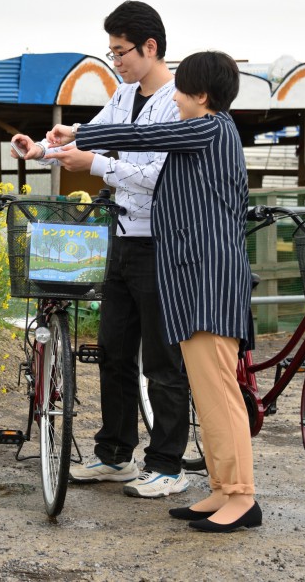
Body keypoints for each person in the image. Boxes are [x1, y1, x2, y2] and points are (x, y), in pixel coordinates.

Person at [45, 50, 261, 533]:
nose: (175, 99)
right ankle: (224, 490)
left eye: (181, 91)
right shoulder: (204, 132)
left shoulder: (210, 127)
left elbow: (144, 135)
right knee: (206, 394)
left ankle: (243, 497)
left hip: (210, 280)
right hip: (193, 280)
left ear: (201, 96)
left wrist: (80, 134)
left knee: (221, 394)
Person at [10, 0, 191, 499]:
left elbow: (156, 175)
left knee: (162, 359)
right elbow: (92, 132)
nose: (116, 61)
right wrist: (44, 148)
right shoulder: (126, 93)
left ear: (149, 47)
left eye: (120, 52)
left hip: (161, 241)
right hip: (122, 238)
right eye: (111, 52)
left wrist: (95, 164)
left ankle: (168, 465)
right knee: (113, 352)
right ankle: (115, 455)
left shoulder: (178, 100)